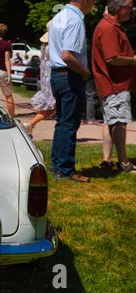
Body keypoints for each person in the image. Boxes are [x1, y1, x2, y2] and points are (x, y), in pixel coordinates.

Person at [49, 0, 96, 183]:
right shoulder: (75, 20)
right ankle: (65, 169)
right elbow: (67, 55)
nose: (94, 3)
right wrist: (85, 73)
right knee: (69, 124)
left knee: (62, 122)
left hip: (57, 75)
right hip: (69, 76)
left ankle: (57, 166)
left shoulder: (59, 16)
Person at [92, 0, 136, 173]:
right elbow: (112, 58)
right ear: (119, 9)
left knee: (110, 121)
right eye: (129, 8)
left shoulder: (110, 25)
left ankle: (107, 160)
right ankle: (124, 162)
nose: (132, 11)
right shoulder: (109, 28)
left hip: (111, 84)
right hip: (114, 83)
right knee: (119, 122)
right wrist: (133, 60)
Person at [23, 21, 56, 136]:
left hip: (46, 78)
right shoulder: (52, 45)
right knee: (53, 107)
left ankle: (31, 124)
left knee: (52, 107)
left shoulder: (44, 45)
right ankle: (31, 124)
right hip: (51, 77)